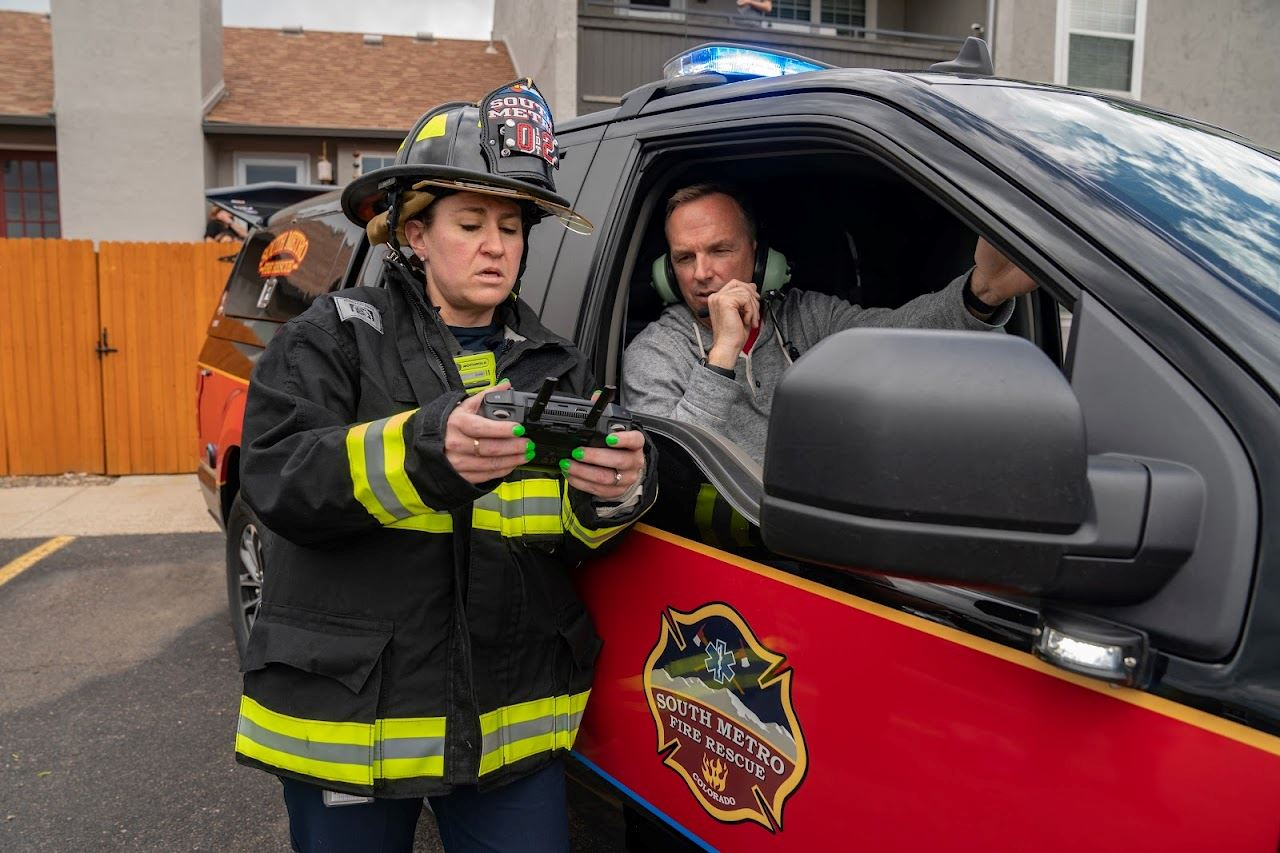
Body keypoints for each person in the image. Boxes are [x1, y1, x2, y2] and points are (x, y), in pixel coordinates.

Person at [233, 79, 654, 853]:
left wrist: (613, 496)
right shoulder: (334, 335)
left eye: (512, 227)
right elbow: (278, 475)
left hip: (508, 725)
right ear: (415, 236)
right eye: (470, 223)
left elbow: (558, 533)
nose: (497, 245)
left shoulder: (555, 365)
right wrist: (428, 450)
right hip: (354, 725)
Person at [623, 182, 1038, 464]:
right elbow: (668, 467)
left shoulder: (806, 315)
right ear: (667, 271)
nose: (701, 273)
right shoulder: (654, 352)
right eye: (684, 258)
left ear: (758, 256)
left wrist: (981, 293)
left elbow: (897, 336)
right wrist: (722, 354)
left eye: (719, 250)